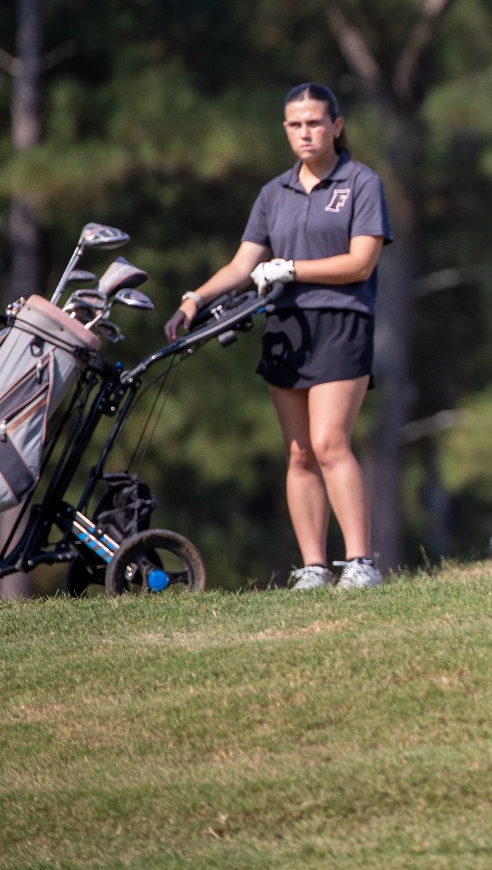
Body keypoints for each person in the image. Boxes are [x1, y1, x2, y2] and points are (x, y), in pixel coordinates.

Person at [165, 83, 392, 590]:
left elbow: (361, 262)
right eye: (295, 124)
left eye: (315, 122)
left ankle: (359, 563)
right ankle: (313, 567)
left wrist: (292, 267)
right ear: (285, 131)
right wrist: (194, 299)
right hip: (286, 326)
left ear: (337, 126)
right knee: (298, 453)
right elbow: (242, 265)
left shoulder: (361, 183)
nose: (305, 132)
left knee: (330, 441)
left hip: (340, 321)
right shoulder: (274, 193)